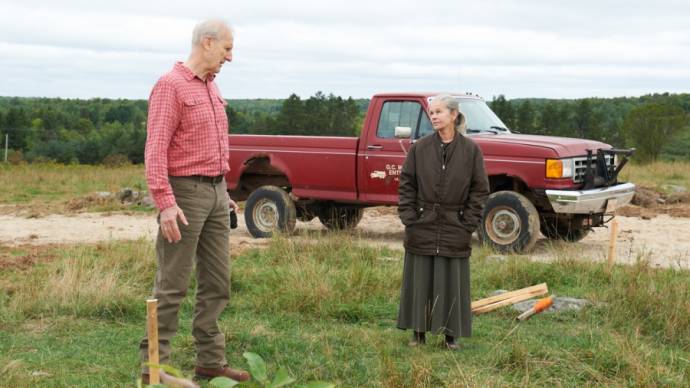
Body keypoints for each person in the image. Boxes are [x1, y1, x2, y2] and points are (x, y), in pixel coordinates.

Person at [138, 19, 249, 383]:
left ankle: (210, 362)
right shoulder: (170, 86)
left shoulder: (212, 88)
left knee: (218, 283)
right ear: (207, 42)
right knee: (172, 285)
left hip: (216, 193)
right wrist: (165, 202)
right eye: (227, 48)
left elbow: (209, 146)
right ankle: (155, 370)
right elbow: (155, 149)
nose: (230, 57)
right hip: (183, 194)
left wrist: (224, 193)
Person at [396, 94, 490, 349]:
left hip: (455, 224)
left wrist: (468, 222)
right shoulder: (420, 148)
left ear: (453, 115)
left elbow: (480, 190)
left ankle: (451, 336)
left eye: (438, 111)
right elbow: (407, 184)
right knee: (420, 278)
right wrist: (410, 218)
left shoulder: (471, 151)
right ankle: (418, 333)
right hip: (422, 222)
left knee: (452, 280)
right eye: (431, 112)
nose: (433, 116)